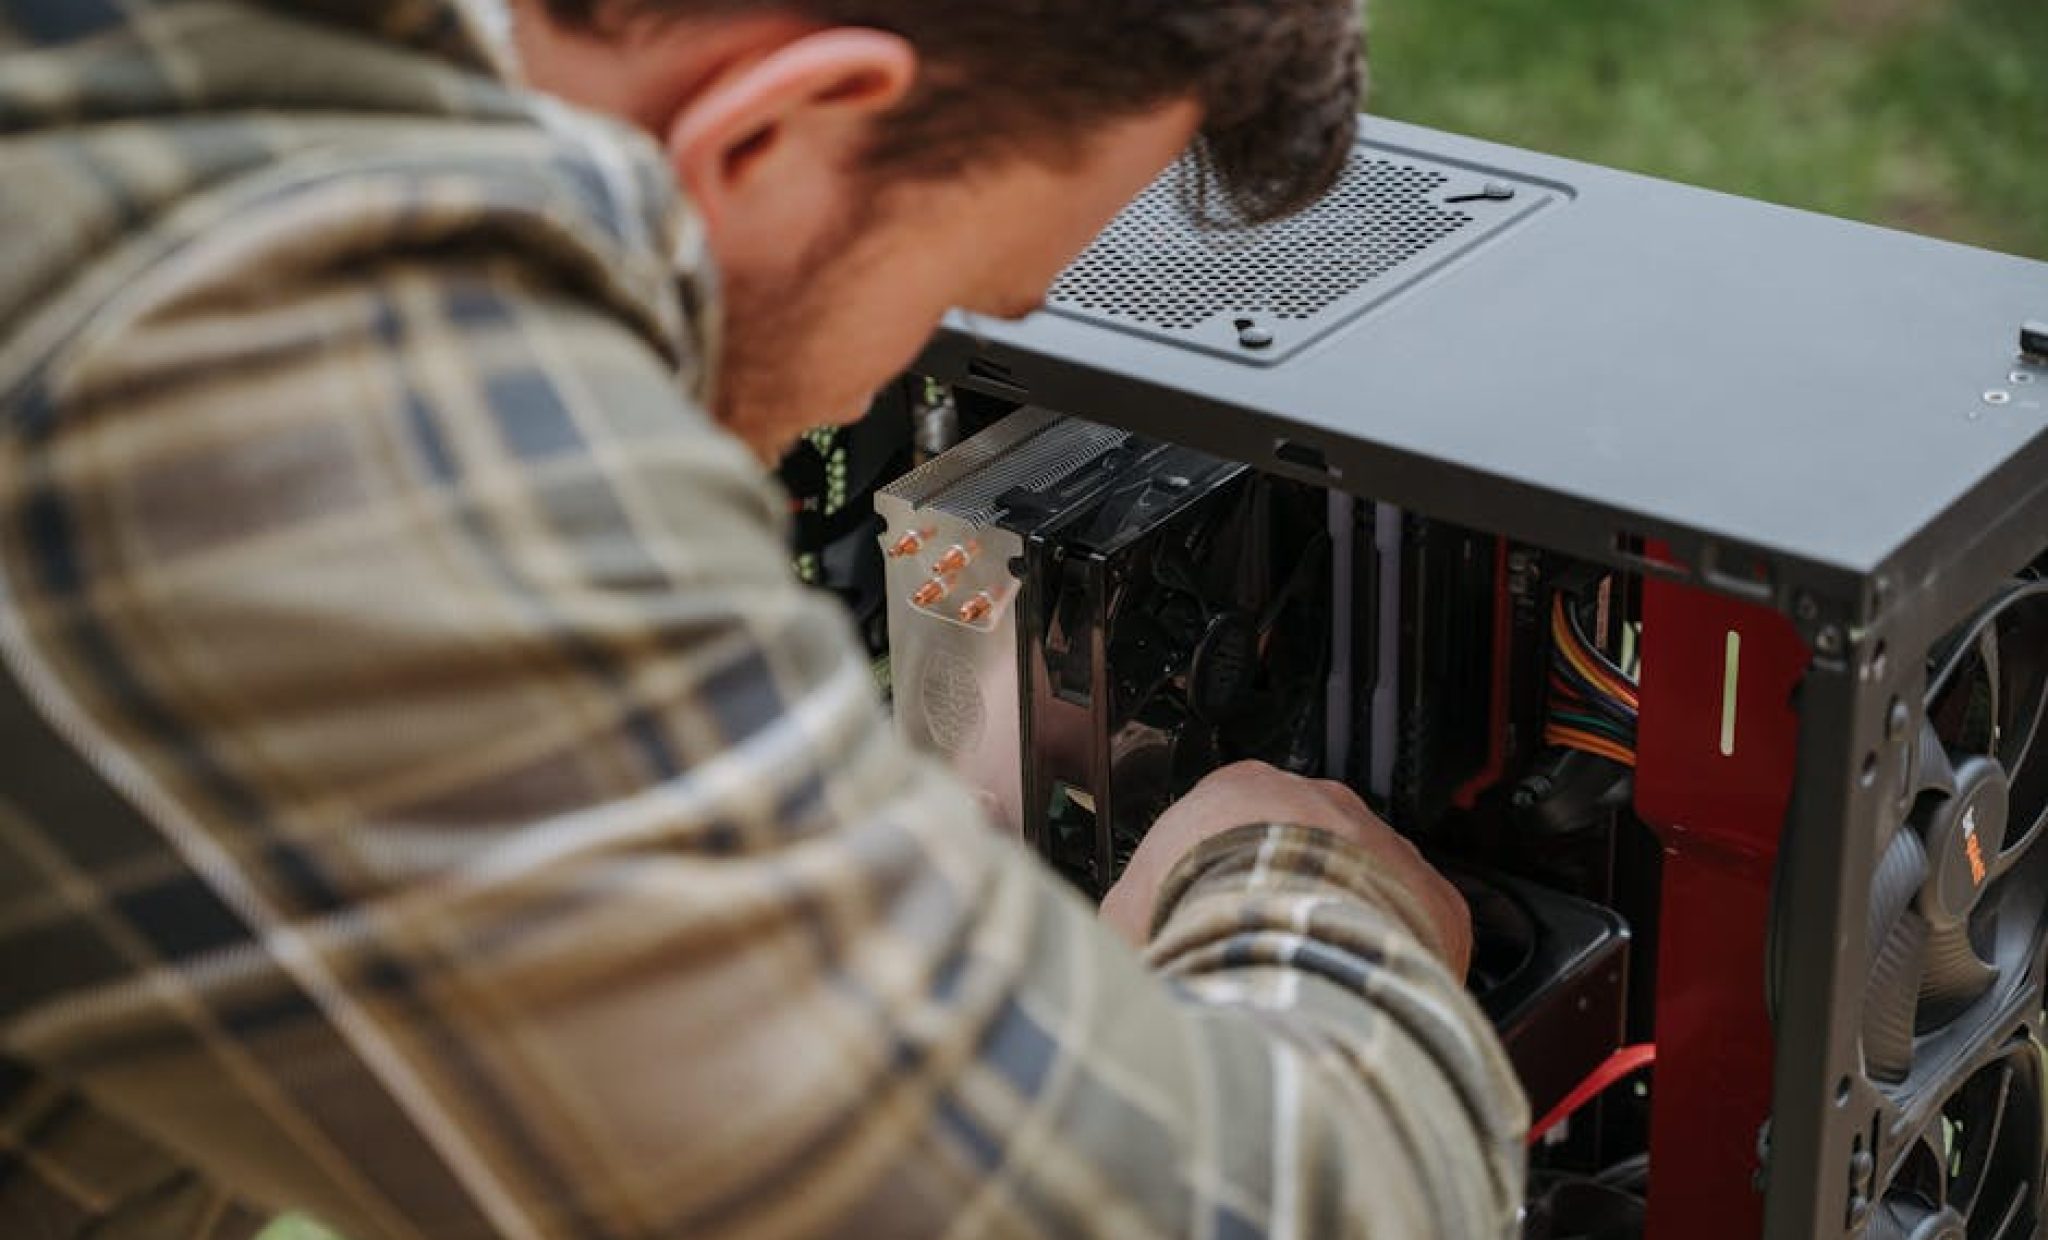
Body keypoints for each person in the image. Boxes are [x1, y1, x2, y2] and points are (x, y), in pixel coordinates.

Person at [0, 1, 1527, 1236]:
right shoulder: (280, 412)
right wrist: (1304, 887)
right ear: (775, 129)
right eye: (958, 304)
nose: (885, 398)